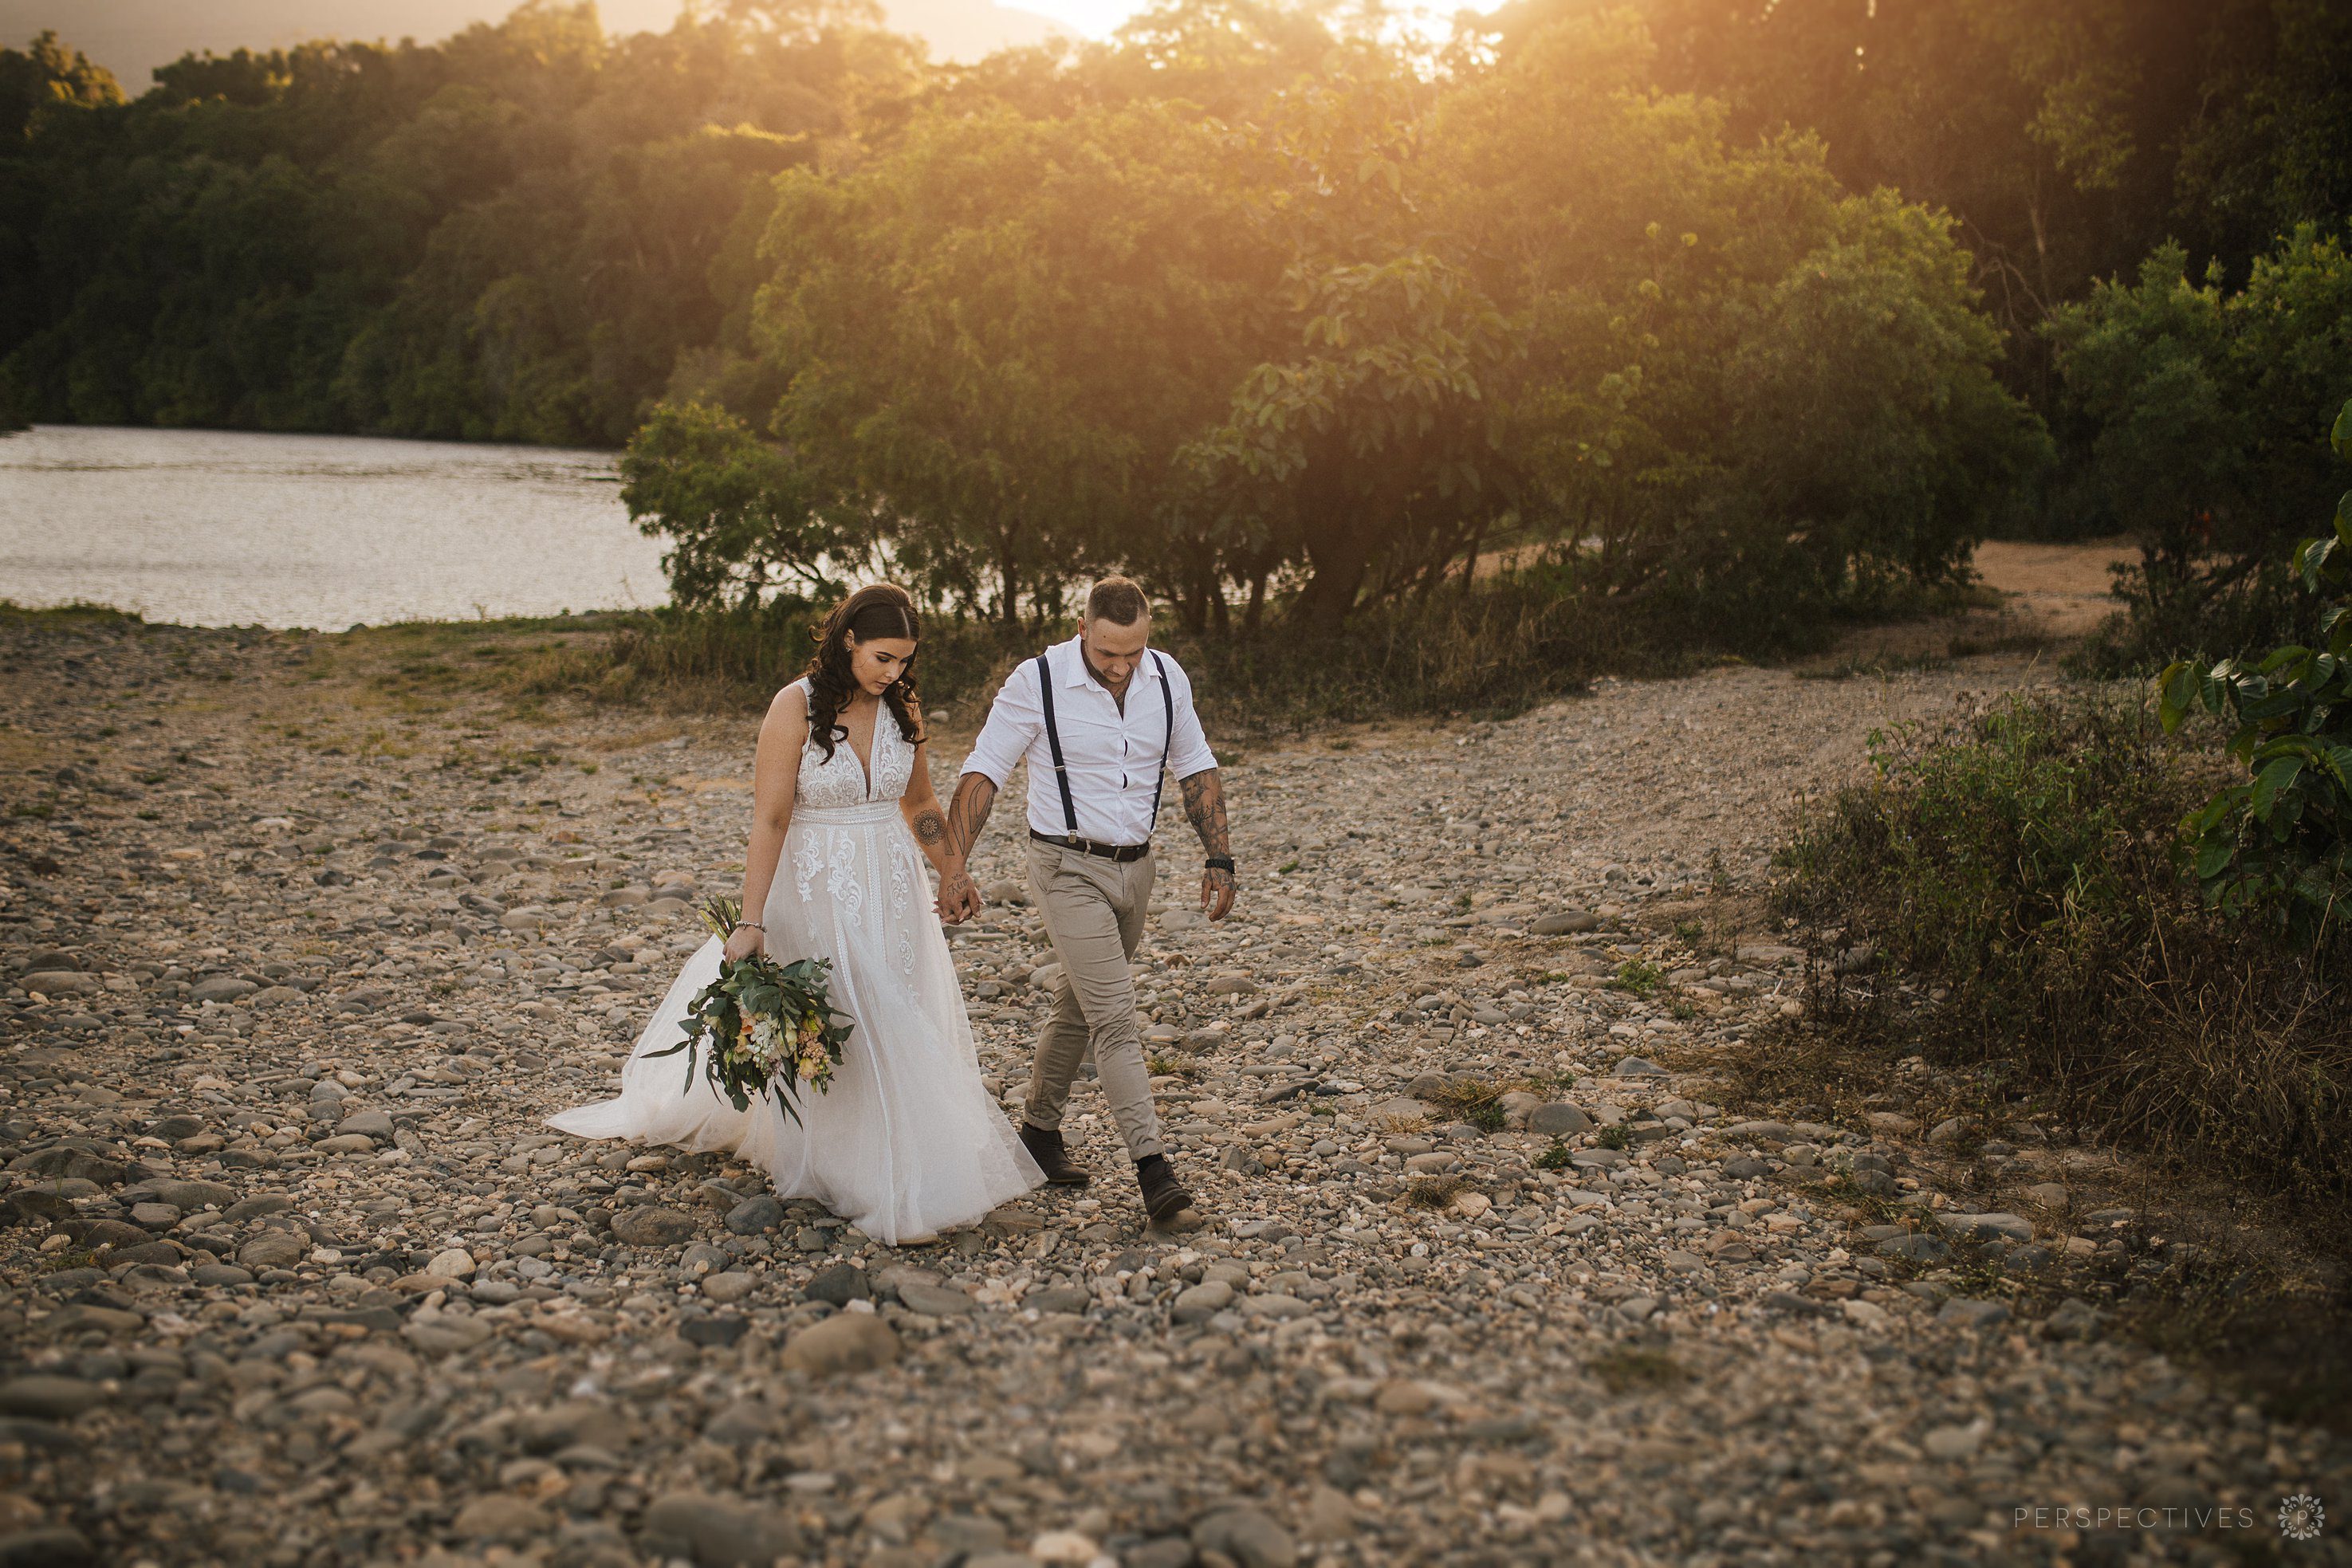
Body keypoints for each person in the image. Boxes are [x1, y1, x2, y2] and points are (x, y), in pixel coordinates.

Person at [548, 584, 1042, 1245]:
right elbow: (771, 817)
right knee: (848, 1017)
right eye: (882, 658)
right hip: (818, 885)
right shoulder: (794, 706)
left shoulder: (904, 706)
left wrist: (952, 867)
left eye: (904, 660)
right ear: (848, 642)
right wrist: (751, 921)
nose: (893, 672)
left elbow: (919, 801)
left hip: (892, 883)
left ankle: (902, 1158)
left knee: (898, 1009)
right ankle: (860, 1173)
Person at [938, 576, 1236, 1232]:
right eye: (1107, 652)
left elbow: (1195, 767)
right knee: (1115, 1016)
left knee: (1077, 1004)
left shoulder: (1166, 677)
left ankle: (1038, 1136)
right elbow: (985, 772)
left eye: (1133, 650)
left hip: (1138, 869)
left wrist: (1219, 856)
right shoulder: (1036, 681)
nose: (1121, 665)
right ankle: (1156, 1174)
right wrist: (955, 866)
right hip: (1064, 865)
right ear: (1083, 628)